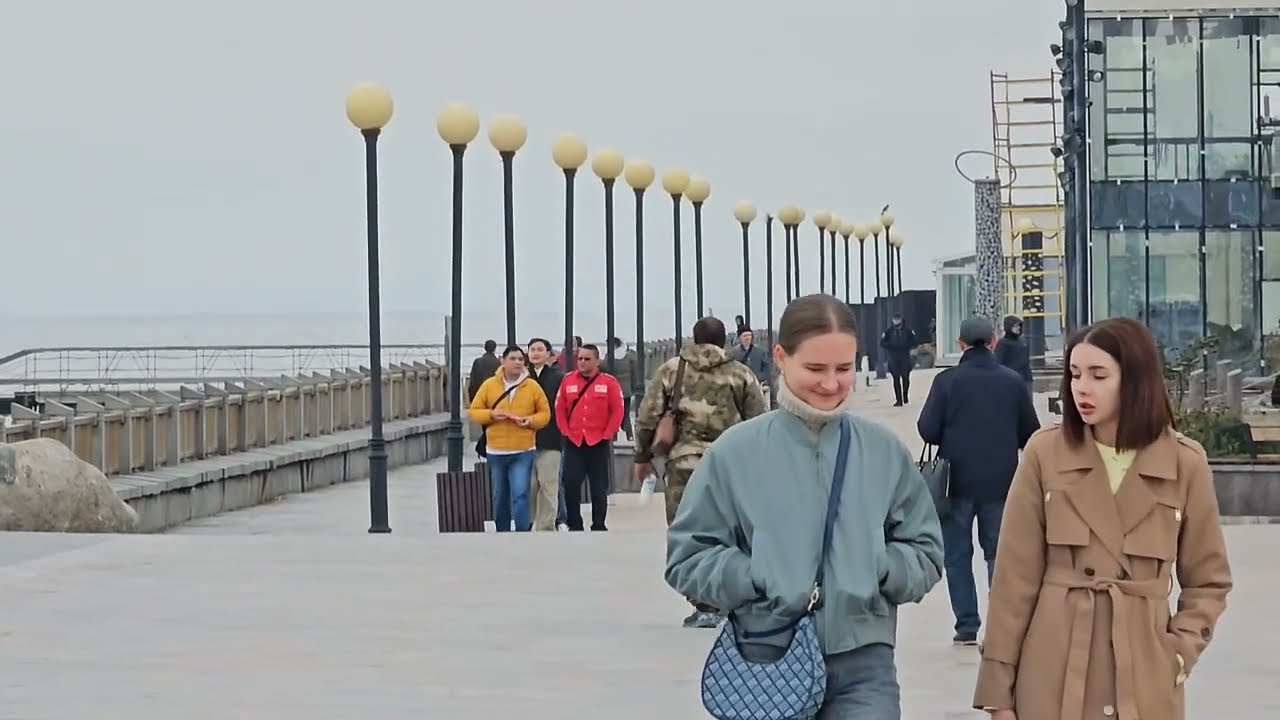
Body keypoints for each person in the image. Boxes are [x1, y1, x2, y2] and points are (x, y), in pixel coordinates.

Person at [665, 296, 943, 717]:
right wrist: (754, 576)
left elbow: (925, 549)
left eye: (843, 369)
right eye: (815, 369)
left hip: (864, 664)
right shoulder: (735, 453)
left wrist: (880, 567)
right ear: (780, 356)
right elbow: (687, 556)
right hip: (765, 657)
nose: (831, 383)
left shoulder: (883, 451)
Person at [973, 317, 1233, 720]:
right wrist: (998, 694)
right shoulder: (1045, 455)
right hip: (1052, 672)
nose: (1082, 388)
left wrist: (1177, 655)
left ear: (1135, 380)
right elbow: (1012, 583)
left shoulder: (1184, 463)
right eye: (1075, 374)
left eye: (1098, 375)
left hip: (1143, 677)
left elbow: (1209, 580)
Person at [635, 315, 769, 628]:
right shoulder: (741, 373)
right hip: (729, 466)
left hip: (684, 464)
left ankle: (705, 604)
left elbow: (648, 415)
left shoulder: (671, 370)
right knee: (730, 531)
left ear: (694, 339)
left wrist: (642, 457)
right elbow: (759, 422)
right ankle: (729, 598)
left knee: (687, 533)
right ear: (725, 340)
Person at [917, 316, 1040, 645]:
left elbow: (927, 429)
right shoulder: (1012, 382)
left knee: (957, 555)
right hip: (1001, 483)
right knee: (998, 555)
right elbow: (1031, 432)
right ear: (994, 342)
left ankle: (967, 625)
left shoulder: (946, 381)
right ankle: (1002, 625)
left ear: (960, 344)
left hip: (954, 484)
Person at [468, 345, 551, 532]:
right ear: (502, 361)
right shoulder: (490, 385)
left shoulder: (532, 386)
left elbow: (545, 414)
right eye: (513, 359)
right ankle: (502, 531)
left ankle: (521, 531)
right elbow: (474, 411)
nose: (518, 363)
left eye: (521, 359)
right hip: (496, 450)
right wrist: (491, 414)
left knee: (520, 492)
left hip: (523, 449)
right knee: (499, 494)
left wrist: (530, 421)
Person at [555, 344, 625, 531]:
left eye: (587, 359)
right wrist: (565, 431)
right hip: (574, 440)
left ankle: (599, 523)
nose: (582, 362)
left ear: (597, 360)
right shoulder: (568, 381)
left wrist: (608, 434)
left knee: (598, 486)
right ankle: (574, 523)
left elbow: (617, 410)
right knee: (570, 484)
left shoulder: (609, 382)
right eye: (580, 359)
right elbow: (560, 408)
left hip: (598, 441)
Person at [526, 338, 564, 532]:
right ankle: (533, 522)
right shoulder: (524, 378)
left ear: (549, 354)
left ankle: (547, 525)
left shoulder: (558, 377)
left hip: (551, 439)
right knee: (531, 486)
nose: (536, 353)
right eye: (532, 349)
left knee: (548, 484)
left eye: (540, 349)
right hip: (526, 440)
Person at [880, 313, 917, 406]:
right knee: (896, 379)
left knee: (906, 378)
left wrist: (908, 346)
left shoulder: (908, 330)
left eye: (898, 319)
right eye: (895, 319)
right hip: (893, 357)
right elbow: (882, 343)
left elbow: (914, 342)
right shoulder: (889, 331)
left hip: (905, 356)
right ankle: (899, 400)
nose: (896, 321)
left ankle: (905, 395)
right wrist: (891, 346)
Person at [995, 314, 1033, 395]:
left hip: (1026, 378)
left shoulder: (1023, 342)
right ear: (1009, 327)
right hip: (1010, 379)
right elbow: (998, 362)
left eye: (1019, 325)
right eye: (1015, 326)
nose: (1018, 328)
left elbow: (1026, 361)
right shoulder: (1003, 343)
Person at [608, 337, 638, 441]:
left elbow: (604, 369)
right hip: (626, 390)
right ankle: (629, 435)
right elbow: (635, 373)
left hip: (613, 390)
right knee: (626, 414)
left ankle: (614, 436)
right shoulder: (629, 357)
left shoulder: (610, 357)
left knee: (614, 413)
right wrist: (634, 388)